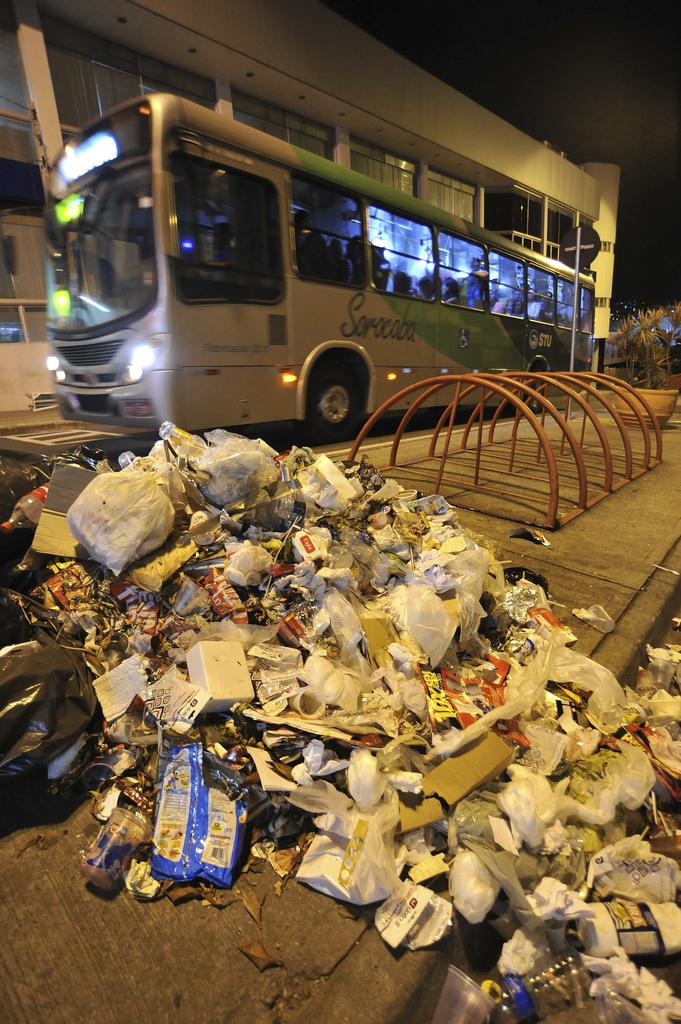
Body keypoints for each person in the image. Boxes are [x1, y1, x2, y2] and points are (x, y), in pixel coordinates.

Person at [294, 210, 330, 278]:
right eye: (307, 220)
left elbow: (325, 259)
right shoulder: (292, 236)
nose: (310, 222)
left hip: (315, 276)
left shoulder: (317, 238)